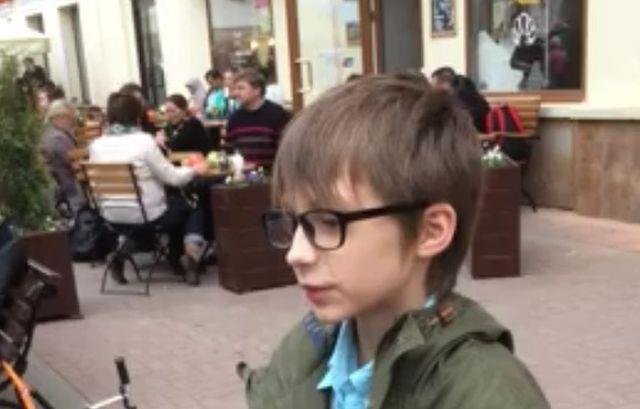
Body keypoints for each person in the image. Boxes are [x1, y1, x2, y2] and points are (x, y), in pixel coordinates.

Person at [241, 74, 550, 408]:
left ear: (430, 231)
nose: (296, 254)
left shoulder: (486, 394)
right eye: (293, 221)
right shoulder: (309, 346)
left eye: (329, 222)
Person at [89, 92, 209, 286]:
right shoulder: (144, 141)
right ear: (138, 115)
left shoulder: (96, 145)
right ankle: (191, 258)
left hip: (111, 215)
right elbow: (173, 177)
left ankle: (120, 253)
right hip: (147, 214)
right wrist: (195, 170)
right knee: (192, 206)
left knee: (141, 220)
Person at [224, 68, 290, 168]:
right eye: (235, 89)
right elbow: (229, 151)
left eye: (241, 88)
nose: (236, 93)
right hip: (242, 175)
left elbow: (287, 151)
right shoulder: (234, 118)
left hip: (270, 174)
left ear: (257, 90)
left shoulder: (278, 114)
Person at [40, 99, 86, 215]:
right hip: (72, 192)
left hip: (61, 189)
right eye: (70, 118)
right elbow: (77, 165)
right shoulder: (59, 139)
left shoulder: (47, 133)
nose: (72, 122)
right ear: (59, 117)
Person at [431, 67, 490, 133]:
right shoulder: (467, 91)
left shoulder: (458, 98)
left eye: (435, 85)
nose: (433, 89)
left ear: (445, 84)